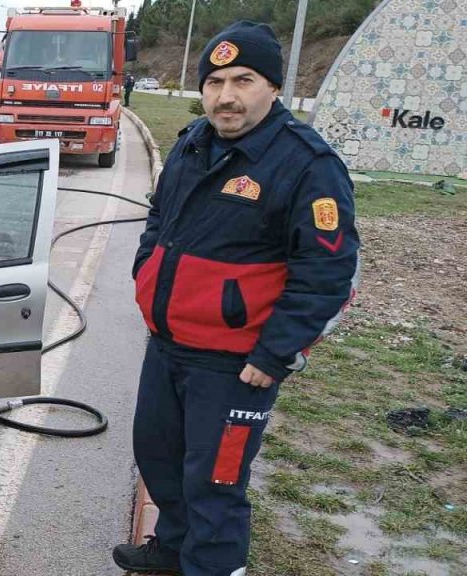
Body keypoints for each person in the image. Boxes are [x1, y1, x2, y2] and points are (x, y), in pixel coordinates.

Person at [113, 21, 359, 576]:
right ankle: (172, 553)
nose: (226, 96)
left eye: (243, 80)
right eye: (216, 81)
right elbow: (159, 219)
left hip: (235, 365)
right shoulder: (193, 143)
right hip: (169, 347)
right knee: (161, 461)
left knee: (215, 486)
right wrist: (144, 273)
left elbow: (330, 272)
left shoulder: (306, 164)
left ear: (273, 87)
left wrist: (274, 355)